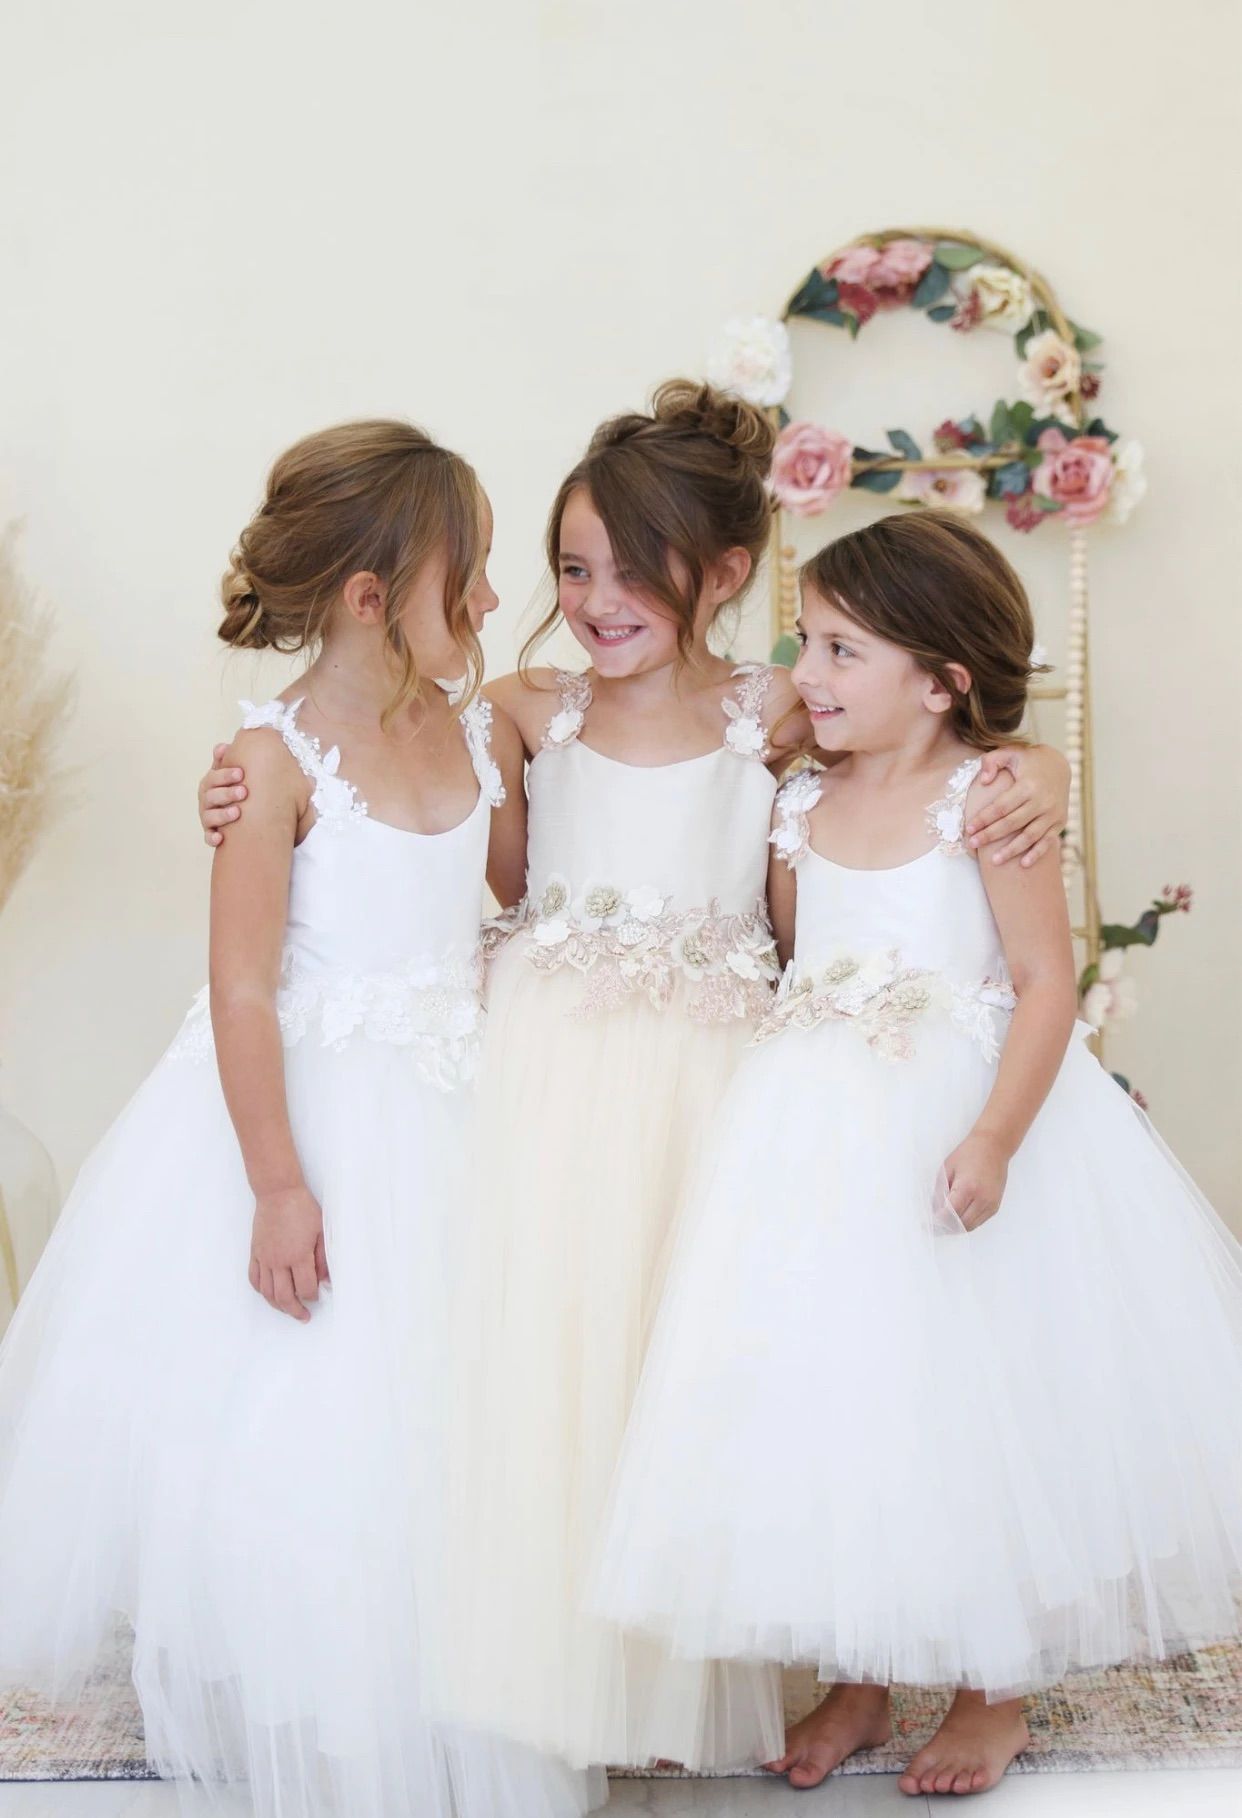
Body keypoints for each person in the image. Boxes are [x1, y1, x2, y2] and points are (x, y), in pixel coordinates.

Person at [197, 397, 1070, 1774]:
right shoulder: (521, 712)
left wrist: (1045, 775)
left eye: (629, 569)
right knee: (565, 1370)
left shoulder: (773, 706)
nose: (593, 601)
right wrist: (248, 782)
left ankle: (758, 1670)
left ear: (724, 575)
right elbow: (381, 757)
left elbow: (924, 735)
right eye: (570, 567)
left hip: (718, 1086)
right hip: (547, 1078)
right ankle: (584, 1691)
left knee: (719, 1373)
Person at [588, 508, 1242, 1798]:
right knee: (839, 1399)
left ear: (941, 683)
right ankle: (860, 1671)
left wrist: (995, 1133)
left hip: (960, 1124)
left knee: (972, 1400)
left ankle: (993, 1692)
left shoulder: (985, 802)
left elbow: (1049, 983)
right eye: (808, 645)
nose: (808, 676)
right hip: (811, 1136)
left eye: (841, 653)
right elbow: (794, 967)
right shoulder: (797, 806)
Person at [0, 421, 599, 1818]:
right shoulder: (269, 760)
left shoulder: (482, 720)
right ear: (371, 596)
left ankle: (467, 1663)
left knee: (465, 1408)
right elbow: (241, 986)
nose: (497, 602)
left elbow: (537, 857)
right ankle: (322, 1690)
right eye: (473, 577)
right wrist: (277, 1182)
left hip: (458, 1101)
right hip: (311, 1115)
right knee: (321, 1411)